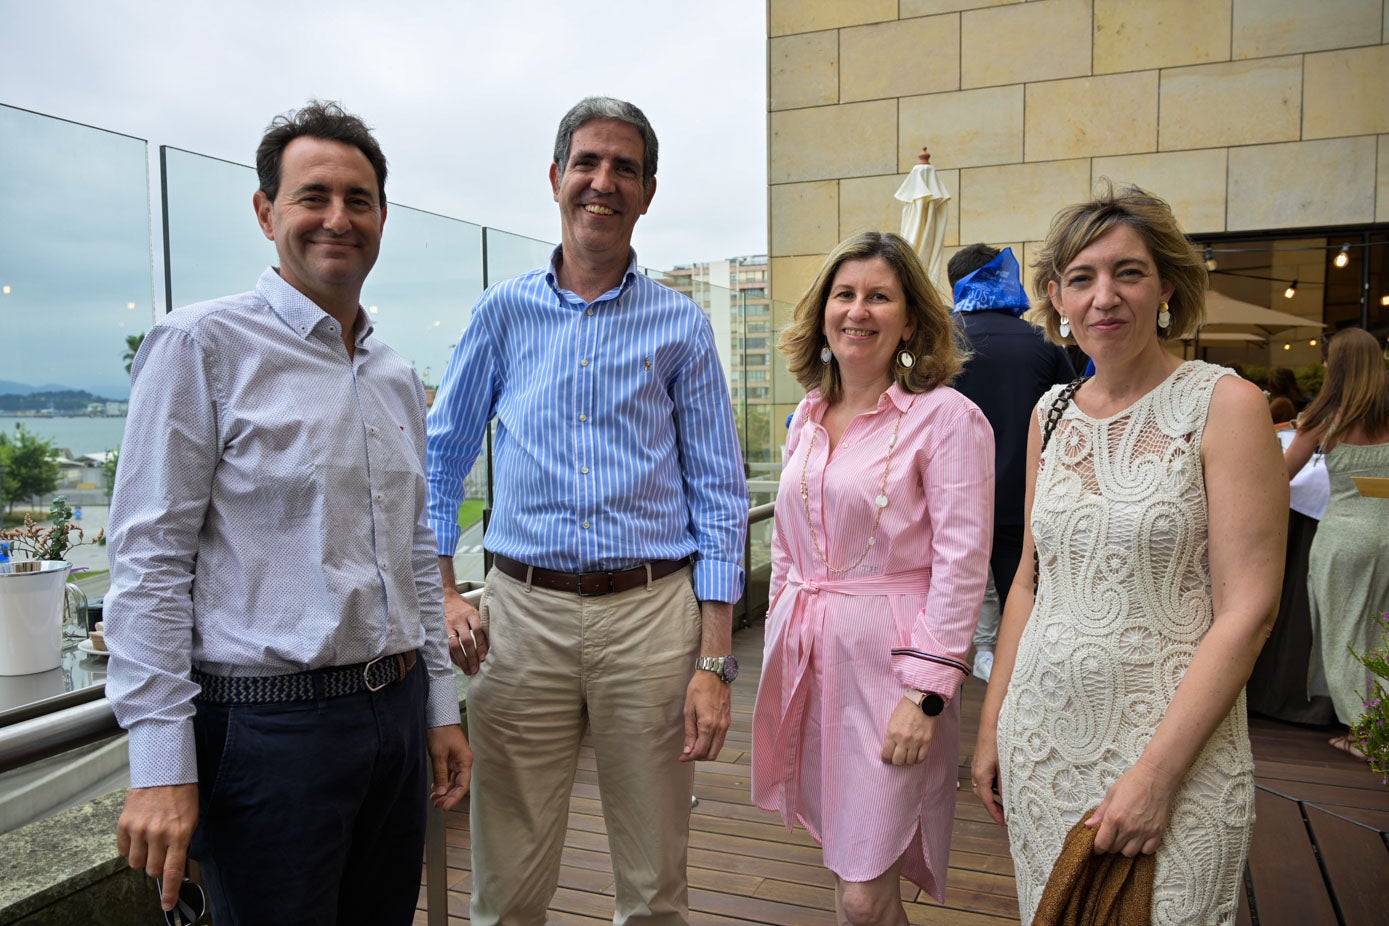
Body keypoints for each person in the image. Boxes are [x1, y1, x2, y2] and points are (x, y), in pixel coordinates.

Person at [105, 101, 471, 924]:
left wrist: (439, 710)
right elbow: (149, 562)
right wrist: (161, 762)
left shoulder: (393, 373)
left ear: (382, 219)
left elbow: (415, 551)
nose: (337, 218)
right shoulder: (199, 345)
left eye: (359, 199)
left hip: (393, 713)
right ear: (267, 212)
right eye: (314, 196)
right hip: (269, 736)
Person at [426, 96, 747, 925]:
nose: (603, 181)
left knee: (652, 885)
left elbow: (718, 496)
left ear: (646, 193)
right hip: (520, 618)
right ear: (556, 178)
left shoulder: (679, 324)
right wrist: (447, 593)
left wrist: (713, 665)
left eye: (624, 169)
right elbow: (438, 459)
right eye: (588, 163)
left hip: (649, 618)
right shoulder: (502, 314)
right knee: (507, 885)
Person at [971, 185, 1287, 925]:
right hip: (1042, 745)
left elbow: (1249, 612)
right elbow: (1027, 581)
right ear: (1054, 297)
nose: (1102, 297)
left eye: (1128, 273)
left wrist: (1154, 777)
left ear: (1166, 288)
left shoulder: (1224, 403)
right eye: (1080, 278)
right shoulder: (1048, 415)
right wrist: (990, 728)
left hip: (1173, 753)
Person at [751, 231, 994, 924]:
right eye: (844, 294)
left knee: (862, 891)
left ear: (910, 319)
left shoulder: (946, 419)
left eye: (879, 297)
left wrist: (926, 694)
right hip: (810, 666)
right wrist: (778, 642)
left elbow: (961, 564)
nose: (858, 310)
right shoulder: (806, 413)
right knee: (846, 862)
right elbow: (792, 554)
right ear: (823, 310)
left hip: (891, 673)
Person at [947, 242, 1074, 682]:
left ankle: (940, 673)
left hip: (948, 500)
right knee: (1021, 593)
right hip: (1021, 501)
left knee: (941, 593)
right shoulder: (1044, 343)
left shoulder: (939, 341)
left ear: (955, 285)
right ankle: (1020, 680)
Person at [1285, 327, 1389, 759]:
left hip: (1342, 540)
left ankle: (1363, 735)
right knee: (1381, 635)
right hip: (1385, 535)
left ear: (1338, 365)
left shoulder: (1327, 418)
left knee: (1343, 635)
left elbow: (1277, 476)